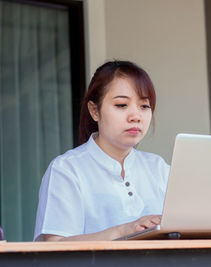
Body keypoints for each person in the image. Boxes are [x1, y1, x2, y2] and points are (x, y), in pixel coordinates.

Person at [34, 60, 169, 241]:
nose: (136, 116)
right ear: (94, 110)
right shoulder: (67, 170)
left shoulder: (159, 168)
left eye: (144, 106)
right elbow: (55, 247)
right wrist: (124, 231)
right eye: (122, 105)